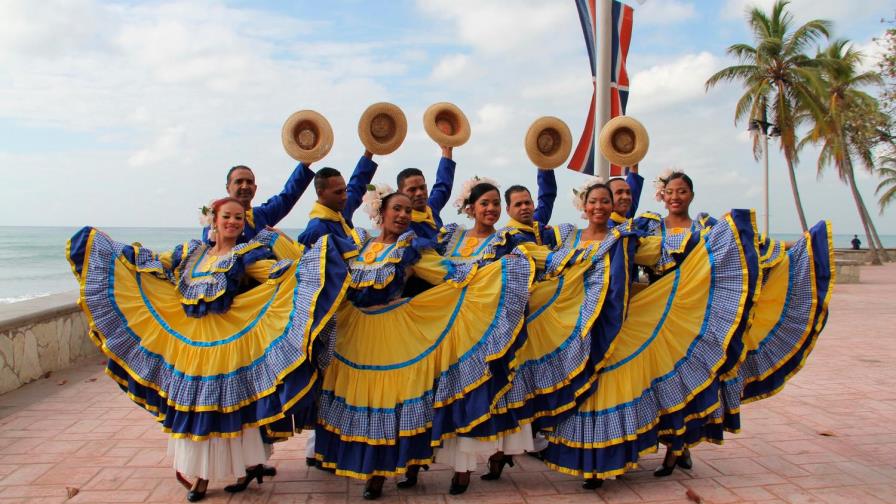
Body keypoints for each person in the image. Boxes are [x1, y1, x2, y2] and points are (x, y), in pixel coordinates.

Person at [66, 197, 350, 502]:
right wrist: (118, 252)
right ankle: (203, 477)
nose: (233, 222)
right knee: (196, 409)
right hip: (192, 345)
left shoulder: (247, 255)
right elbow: (156, 265)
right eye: (227, 216)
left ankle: (238, 470)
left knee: (230, 409)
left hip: (229, 344)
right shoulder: (191, 253)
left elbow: (273, 274)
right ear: (213, 220)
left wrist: (308, 269)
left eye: (239, 218)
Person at [540, 174, 762, 488]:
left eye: (606, 201)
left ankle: (609, 462)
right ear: (584, 206)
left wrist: (718, 242)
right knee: (585, 393)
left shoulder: (625, 237)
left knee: (610, 390)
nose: (600, 206)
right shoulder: (570, 238)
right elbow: (550, 266)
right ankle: (590, 463)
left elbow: (667, 247)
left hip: (620, 325)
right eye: (594, 201)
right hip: (579, 329)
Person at [311, 186, 533, 499]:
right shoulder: (357, 244)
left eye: (407, 211)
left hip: (396, 335)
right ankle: (372, 474)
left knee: (396, 403)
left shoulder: (410, 249)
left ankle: (403, 466)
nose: (403, 216)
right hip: (355, 334)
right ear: (381, 212)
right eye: (396, 209)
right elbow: (331, 272)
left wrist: (493, 274)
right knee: (364, 402)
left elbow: (445, 272)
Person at [202, 162, 315, 243]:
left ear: (255, 188)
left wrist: (305, 163)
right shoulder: (217, 219)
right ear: (228, 188)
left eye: (249, 182)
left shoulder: (262, 214)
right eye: (239, 182)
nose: (245, 186)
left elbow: (287, 196)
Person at [296, 150, 378, 248]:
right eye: (338, 192)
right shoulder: (316, 230)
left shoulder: (340, 211)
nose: (345, 196)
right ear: (320, 193)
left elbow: (356, 186)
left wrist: (369, 152)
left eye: (345, 190)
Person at [397, 144, 456, 241]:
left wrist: (447, 151)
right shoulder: (402, 223)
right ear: (400, 193)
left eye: (422, 187)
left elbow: (443, 186)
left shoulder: (431, 208)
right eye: (412, 190)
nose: (419, 193)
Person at [503, 168, 558, 246]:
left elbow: (547, 196)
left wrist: (545, 163)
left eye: (527, 203)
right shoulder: (506, 238)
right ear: (508, 210)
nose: (524, 207)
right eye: (518, 204)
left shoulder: (538, 222)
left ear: (533, 204)